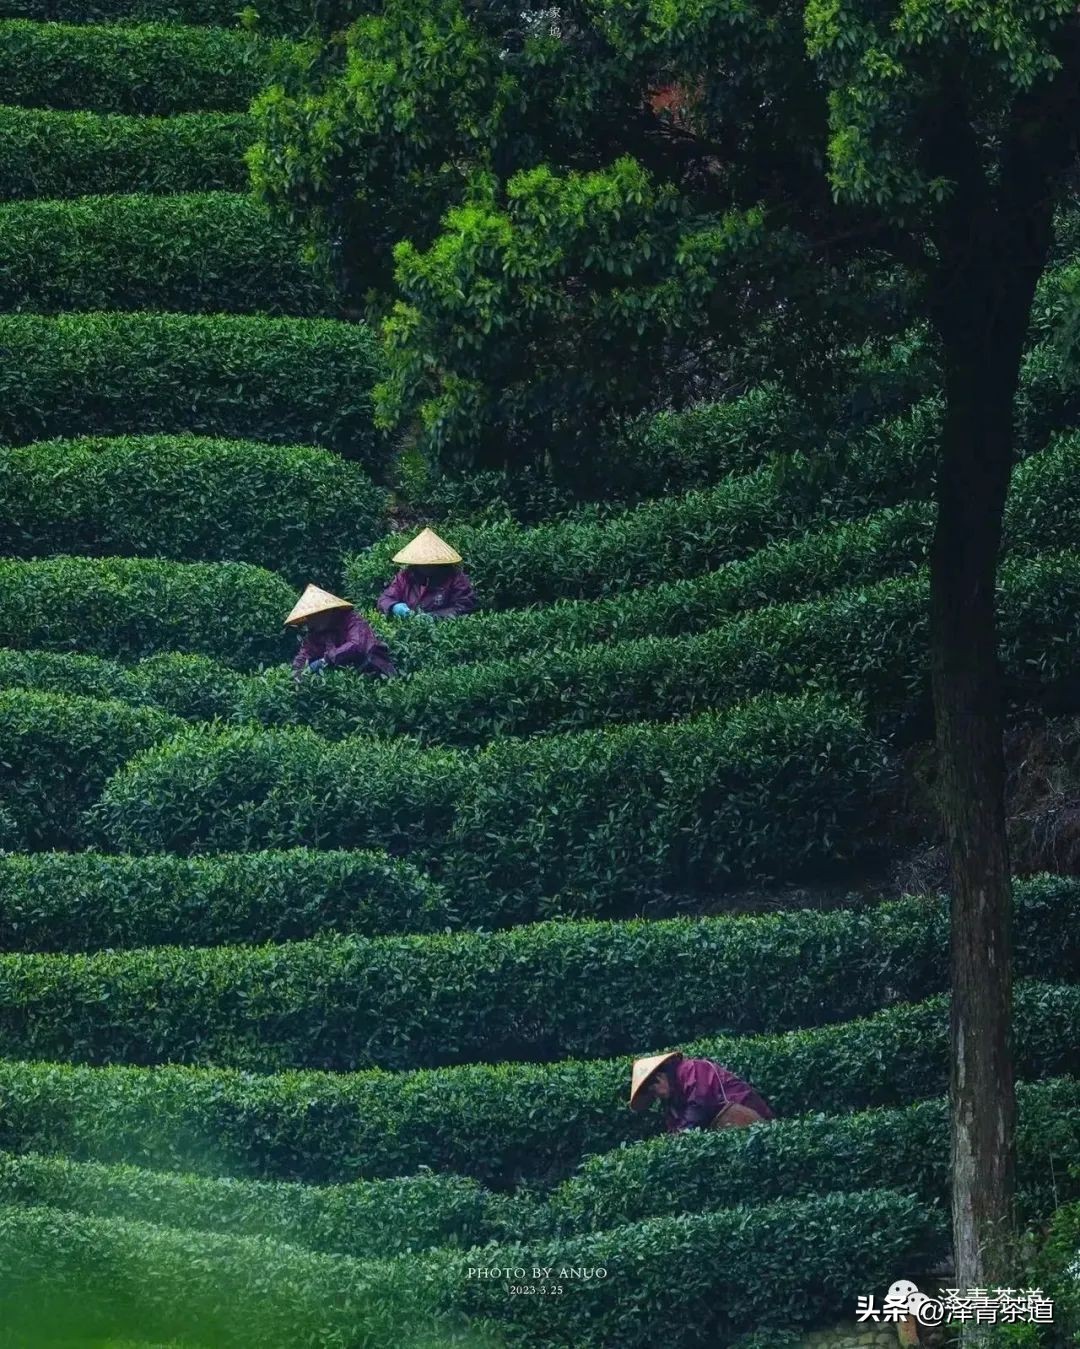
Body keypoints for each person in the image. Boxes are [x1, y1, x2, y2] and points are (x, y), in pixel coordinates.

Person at [629, 1051, 775, 1132]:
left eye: (655, 1089)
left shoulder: (691, 1069)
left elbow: (699, 1104)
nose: (657, 1095)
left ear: (660, 1077)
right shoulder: (671, 1101)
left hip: (752, 1121)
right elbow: (674, 1126)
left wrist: (682, 1134)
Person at [285, 584, 396, 680]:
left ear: (326, 611)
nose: (310, 622)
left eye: (312, 617)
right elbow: (305, 654)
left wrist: (326, 659)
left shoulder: (352, 620)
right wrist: (297, 672)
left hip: (374, 671)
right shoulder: (316, 633)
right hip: (346, 679)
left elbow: (357, 645)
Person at [376, 528, 477, 622]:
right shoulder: (405, 576)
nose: (426, 566)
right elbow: (385, 599)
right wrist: (393, 606)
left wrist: (434, 617)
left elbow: (465, 606)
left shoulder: (454, 577)